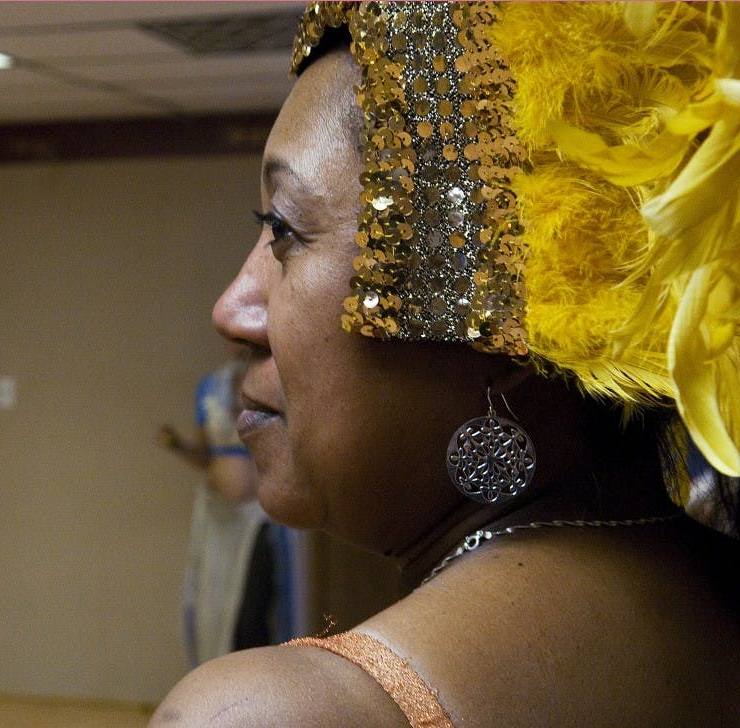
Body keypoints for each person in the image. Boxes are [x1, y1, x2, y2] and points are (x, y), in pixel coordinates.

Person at [150, 3, 740, 726]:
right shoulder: (704, 602)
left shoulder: (264, 714)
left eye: (284, 231)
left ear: (505, 319)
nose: (233, 311)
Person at [158, 345, 296, 666]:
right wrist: (176, 444)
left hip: (260, 520)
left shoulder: (275, 383)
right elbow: (206, 456)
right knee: (212, 606)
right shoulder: (212, 386)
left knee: (251, 614)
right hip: (218, 519)